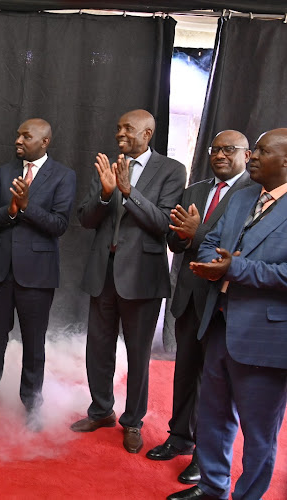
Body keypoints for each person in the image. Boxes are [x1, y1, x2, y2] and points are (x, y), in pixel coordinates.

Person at [168, 128, 287, 500]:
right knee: (214, 414)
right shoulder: (242, 197)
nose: (251, 157)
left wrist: (233, 269)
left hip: (264, 339)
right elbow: (211, 242)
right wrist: (210, 263)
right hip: (217, 321)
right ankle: (211, 487)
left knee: (258, 433)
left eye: (261, 152)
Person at [72, 109, 186, 453]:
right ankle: (101, 411)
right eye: (118, 126)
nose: (119, 133)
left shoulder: (172, 170)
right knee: (99, 349)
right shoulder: (109, 166)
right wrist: (107, 194)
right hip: (102, 274)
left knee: (138, 355)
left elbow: (164, 223)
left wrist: (129, 191)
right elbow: (86, 219)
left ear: (147, 134)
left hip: (142, 278)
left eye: (127, 128)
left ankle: (133, 421)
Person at [0, 119, 76, 427]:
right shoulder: (5, 171)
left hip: (37, 274)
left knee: (34, 341)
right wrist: (10, 210)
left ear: (45, 141)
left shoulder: (63, 176)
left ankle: (33, 403)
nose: (18, 139)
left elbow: (59, 224)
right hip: (1, 270)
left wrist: (25, 207)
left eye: (26, 135)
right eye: (18, 133)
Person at [147, 131, 251, 483]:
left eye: (229, 149)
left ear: (247, 156)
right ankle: (179, 438)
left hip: (222, 302)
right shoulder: (194, 190)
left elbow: (238, 247)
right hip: (190, 295)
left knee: (213, 382)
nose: (220, 154)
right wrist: (182, 234)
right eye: (215, 149)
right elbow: (176, 241)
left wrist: (199, 231)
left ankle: (204, 456)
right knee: (185, 372)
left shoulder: (253, 194)